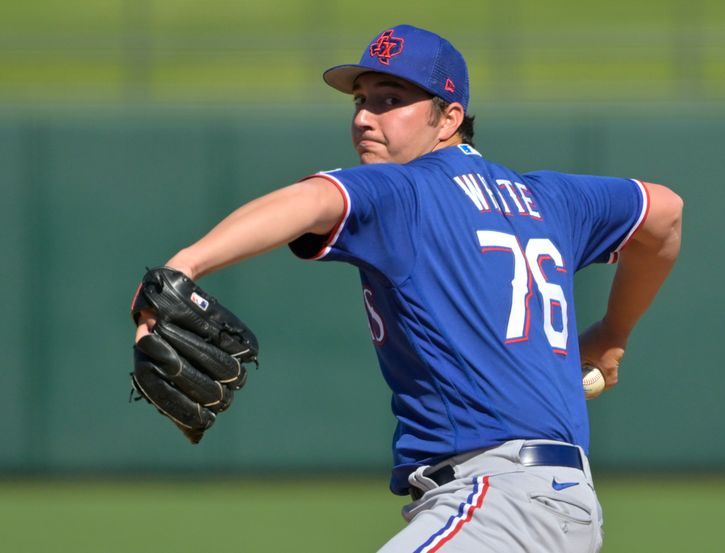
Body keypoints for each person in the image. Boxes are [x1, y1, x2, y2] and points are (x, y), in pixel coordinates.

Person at [135, 24, 682, 553]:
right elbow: (664, 213)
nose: (366, 118)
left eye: (390, 99)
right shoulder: (549, 199)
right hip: (554, 504)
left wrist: (184, 267)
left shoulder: (405, 188)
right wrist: (614, 332)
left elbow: (309, 202)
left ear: (449, 117)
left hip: (498, 502)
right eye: (361, 101)